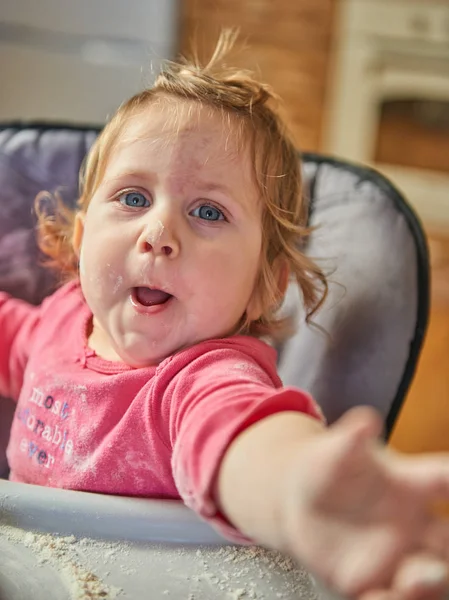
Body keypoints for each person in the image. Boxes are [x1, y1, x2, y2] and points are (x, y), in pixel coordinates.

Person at [1, 31, 449, 600]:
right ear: (84, 238)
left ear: (263, 288)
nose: (158, 234)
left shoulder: (203, 379)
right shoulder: (58, 321)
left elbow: (248, 440)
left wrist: (298, 489)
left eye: (208, 211)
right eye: (134, 197)